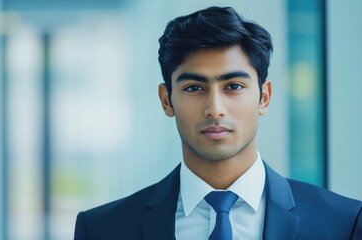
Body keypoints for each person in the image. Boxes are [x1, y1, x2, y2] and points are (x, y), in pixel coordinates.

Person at [74, 6, 362, 240]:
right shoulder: (102, 230)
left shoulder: (343, 224)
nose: (215, 109)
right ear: (166, 100)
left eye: (234, 86)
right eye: (194, 88)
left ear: (264, 97)